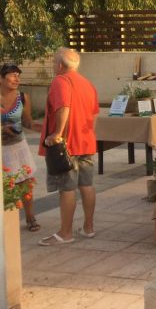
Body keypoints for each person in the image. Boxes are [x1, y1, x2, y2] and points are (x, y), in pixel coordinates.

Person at [37, 48, 99, 246]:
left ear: (61, 65)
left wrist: (57, 134)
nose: (53, 65)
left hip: (67, 144)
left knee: (67, 188)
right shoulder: (88, 84)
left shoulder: (60, 81)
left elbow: (63, 106)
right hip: (86, 141)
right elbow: (94, 115)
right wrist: (88, 135)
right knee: (86, 185)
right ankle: (88, 228)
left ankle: (66, 233)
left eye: (54, 61)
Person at [1, 63, 39, 231]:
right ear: (1, 78)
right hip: (1, 148)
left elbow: (27, 121)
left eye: (18, 75)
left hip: (19, 145)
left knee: (26, 183)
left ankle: (31, 218)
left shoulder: (23, 97)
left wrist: (42, 127)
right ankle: (8, 220)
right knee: (7, 185)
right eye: (12, 75)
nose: (17, 78)